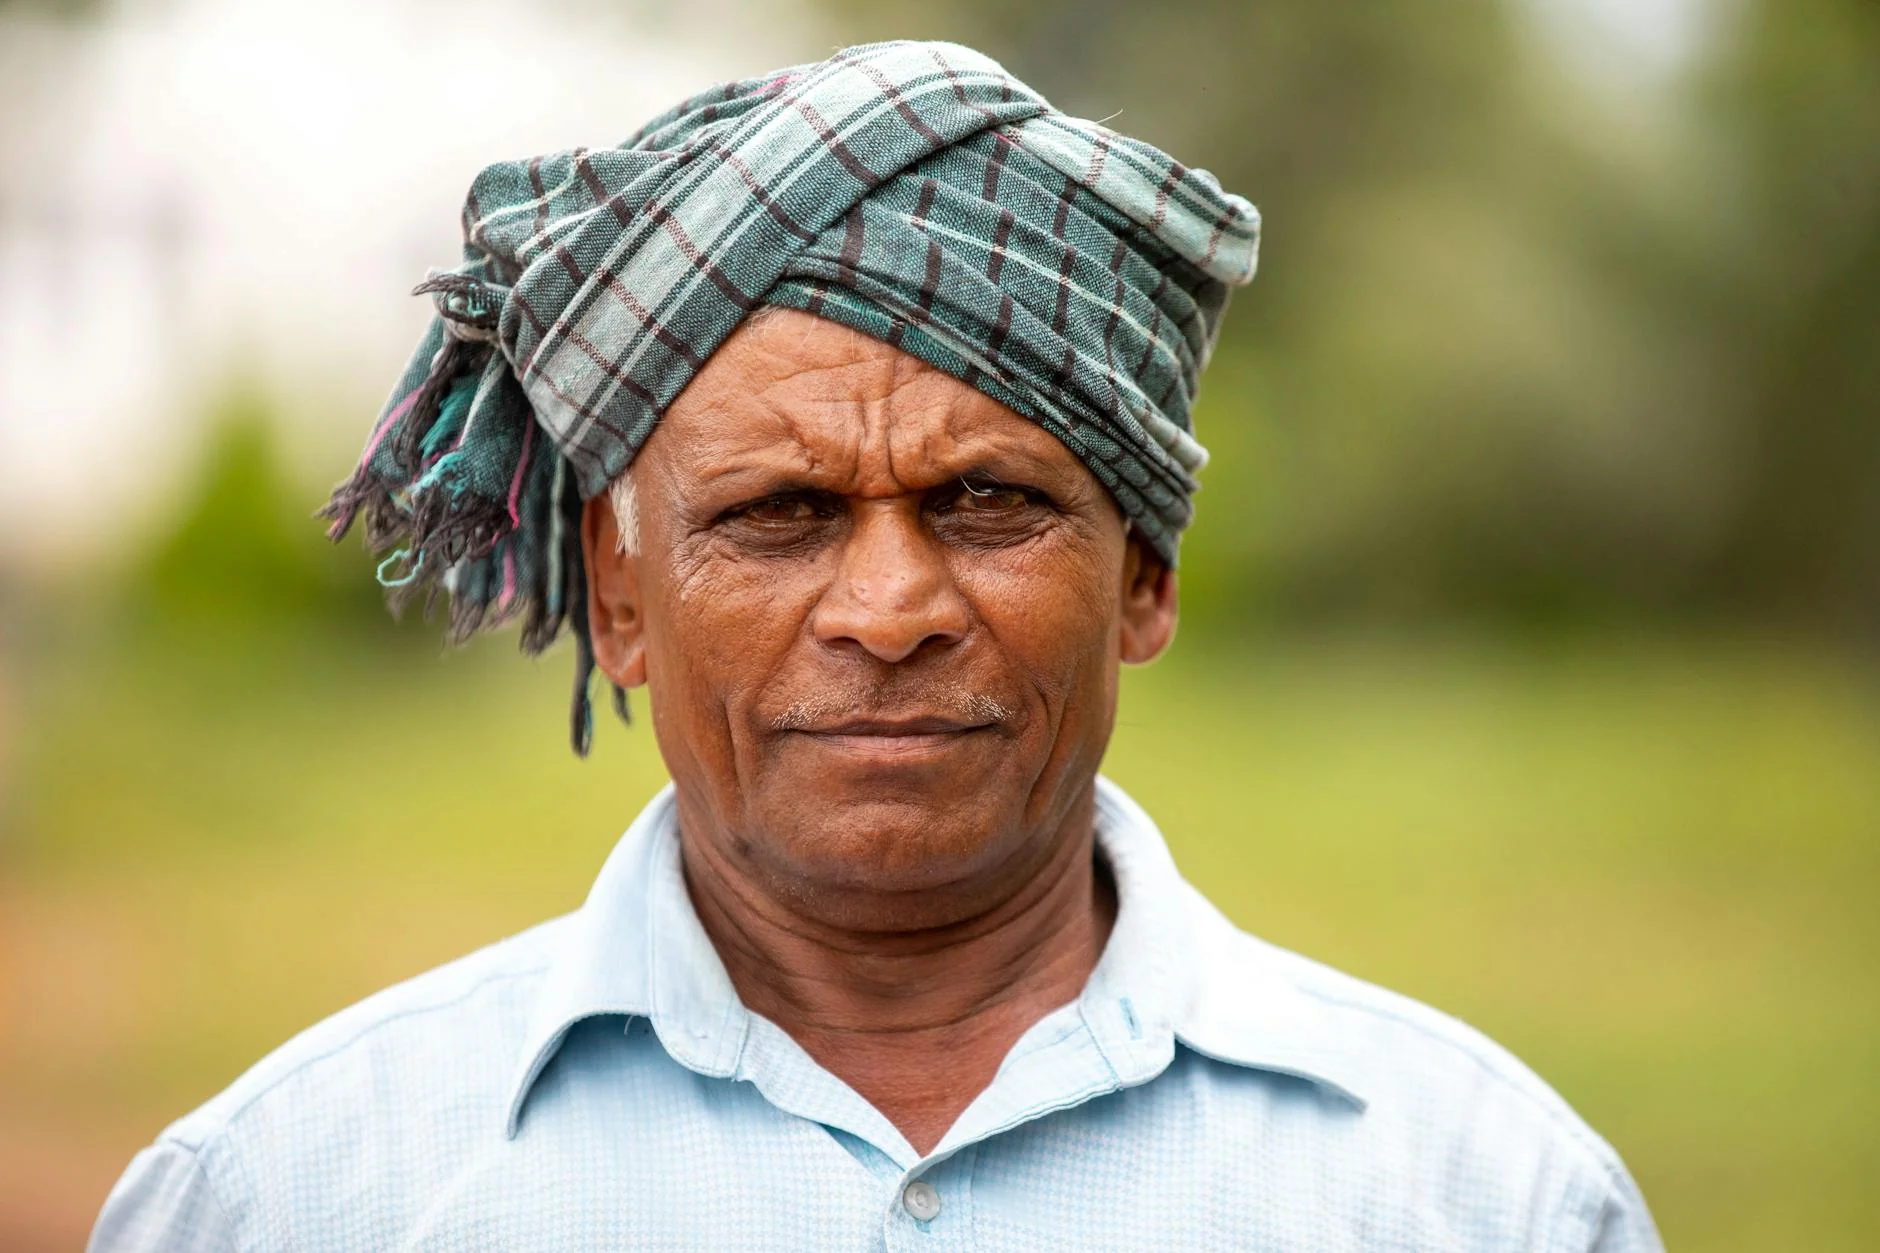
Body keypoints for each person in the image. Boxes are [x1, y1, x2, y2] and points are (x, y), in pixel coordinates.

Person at [90, 40, 1660, 1252]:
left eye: (987, 501)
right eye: (779, 514)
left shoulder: (1483, 1196)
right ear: (622, 600)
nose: (891, 611)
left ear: (1144, 577)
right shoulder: (297, 1194)